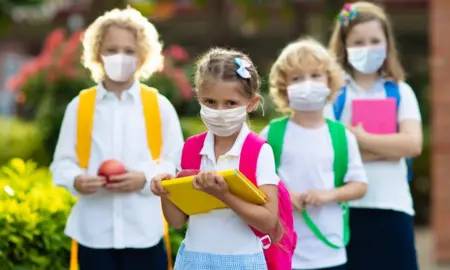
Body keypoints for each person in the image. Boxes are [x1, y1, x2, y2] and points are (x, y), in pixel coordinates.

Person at [50, 7, 183, 270]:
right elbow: (61, 163)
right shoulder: (80, 106)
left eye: (129, 50)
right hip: (93, 234)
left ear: (143, 55)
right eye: (111, 50)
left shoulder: (159, 105)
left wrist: (144, 178)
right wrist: (76, 179)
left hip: (144, 232)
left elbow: (175, 163)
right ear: (97, 54)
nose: (120, 57)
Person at [151, 48, 294, 270]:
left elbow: (267, 221)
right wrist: (165, 191)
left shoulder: (257, 152)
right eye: (210, 102)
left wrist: (223, 195)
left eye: (230, 103)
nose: (219, 111)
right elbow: (178, 220)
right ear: (198, 97)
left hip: (242, 261)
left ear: (251, 103)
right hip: (194, 260)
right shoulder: (189, 150)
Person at [326, 2, 423, 270]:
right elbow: (329, 150)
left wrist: (359, 139)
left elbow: (413, 144)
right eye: (358, 42)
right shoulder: (332, 94)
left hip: (394, 208)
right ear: (343, 45)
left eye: (374, 40)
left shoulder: (401, 91)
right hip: (344, 210)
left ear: (387, 44)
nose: (367, 47)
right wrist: (390, 149)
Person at [260, 38, 368, 270]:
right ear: (284, 88)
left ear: (330, 82)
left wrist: (327, 195)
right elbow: (254, 177)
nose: (307, 84)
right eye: (297, 78)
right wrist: (284, 195)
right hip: (283, 251)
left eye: (315, 75)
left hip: (330, 251)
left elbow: (359, 185)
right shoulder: (272, 133)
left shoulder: (341, 136)